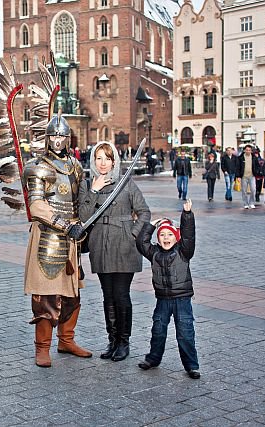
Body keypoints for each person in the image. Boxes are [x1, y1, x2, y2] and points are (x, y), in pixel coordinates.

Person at [23, 114, 92, 368]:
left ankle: (66, 340)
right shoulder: (38, 166)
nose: (58, 140)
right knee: (47, 296)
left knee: (72, 294)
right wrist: (64, 225)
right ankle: (42, 348)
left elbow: (81, 200)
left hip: (73, 238)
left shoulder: (75, 165)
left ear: (69, 137)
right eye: (54, 135)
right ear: (47, 137)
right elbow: (37, 206)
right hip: (49, 237)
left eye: (62, 135)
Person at [79, 142, 151, 362]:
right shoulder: (87, 184)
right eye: (98, 158)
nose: (103, 163)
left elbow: (144, 212)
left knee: (121, 295)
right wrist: (94, 190)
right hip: (100, 243)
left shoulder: (126, 183)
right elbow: (82, 216)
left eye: (107, 158)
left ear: (114, 161)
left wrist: (132, 234)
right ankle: (112, 340)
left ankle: (124, 342)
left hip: (123, 244)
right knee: (107, 295)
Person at [135, 199, 200, 380]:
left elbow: (188, 236)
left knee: (185, 333)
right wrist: (151, 225)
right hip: (162, 300)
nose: (165, 238)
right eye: (162, 235)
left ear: (176, 238)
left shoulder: (183, 252)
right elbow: (141, 243)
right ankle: (153, 359)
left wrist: (187, 215)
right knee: (158, 329)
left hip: (182, 300)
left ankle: (192, 366)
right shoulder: (154, 253)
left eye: (169, 235)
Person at [237, 144, 261, 209]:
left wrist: (257, 172)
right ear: (244, 150)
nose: (248, 151)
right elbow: (238, 167)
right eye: (247, 150)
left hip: (252, 176)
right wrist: (238, 176)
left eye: (249, 150)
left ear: (251, 151)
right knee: (244, 191)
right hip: (243, 176)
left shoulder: (254, 158)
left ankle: (251, 203)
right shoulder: (240, 158)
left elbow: (258, 166)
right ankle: (245, 203)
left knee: (253, 189)